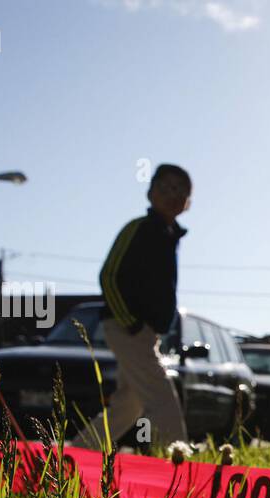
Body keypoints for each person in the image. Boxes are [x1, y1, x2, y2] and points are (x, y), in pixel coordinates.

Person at [80, 163, 192, 451]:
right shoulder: (139, 229)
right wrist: (130, 322)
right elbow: (108, 275)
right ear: (150, 192)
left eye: (180, 190)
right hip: (126, 327)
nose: (172, 194)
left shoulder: (170, 237)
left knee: (128, 406)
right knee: (162, 398)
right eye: (165, 187)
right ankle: (178, 471)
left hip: (146, 332)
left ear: (187, 203)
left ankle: (77, 456)